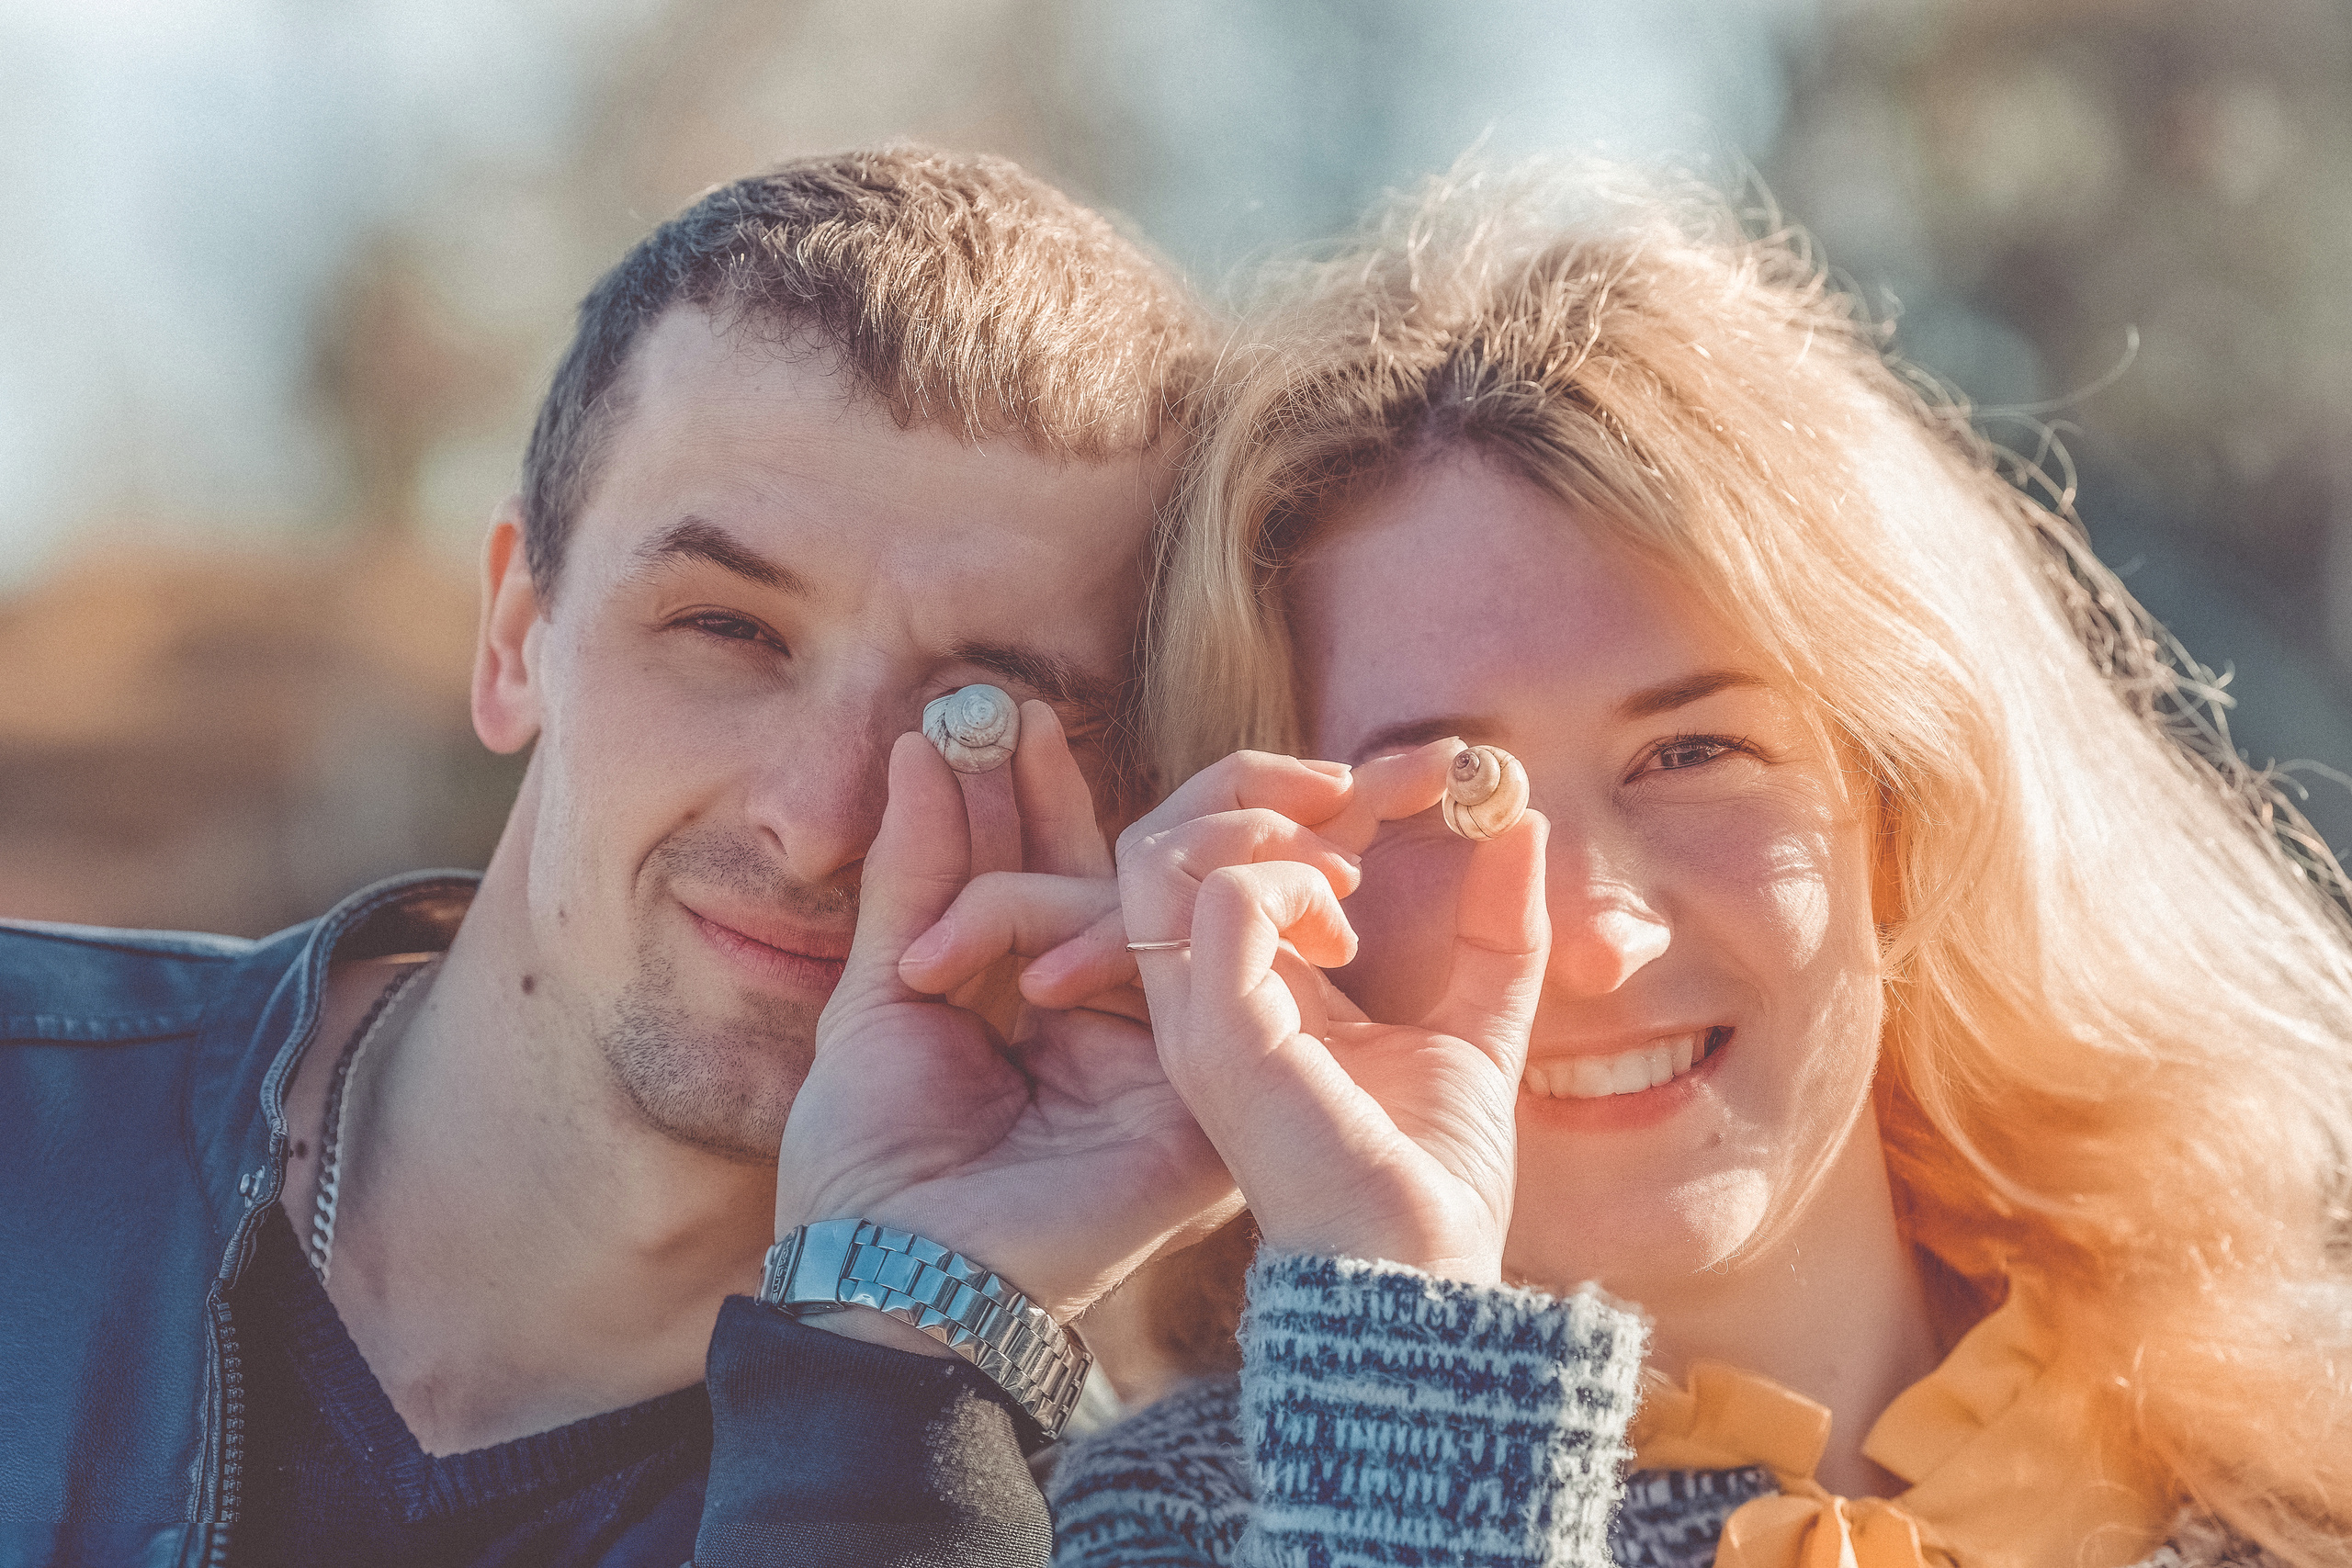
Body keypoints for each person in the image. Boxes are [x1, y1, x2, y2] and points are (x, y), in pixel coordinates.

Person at [865, 166, 2352, 1564]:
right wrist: (1403, 1336)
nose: (1591, 933)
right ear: (1273, 909)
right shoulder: (1178, 1523)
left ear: (1909, 803)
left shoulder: (2294, 1453)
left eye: (1693, 753)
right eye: (1448, 797)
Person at [0, 145, 1222, 1566]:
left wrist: (900, 1354)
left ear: (1126, 797)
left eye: (978, 715)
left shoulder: (1082, 1527)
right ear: (516, 637)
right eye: (728, 631)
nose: (820, 822)